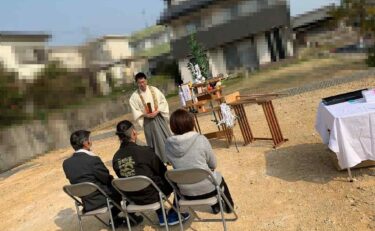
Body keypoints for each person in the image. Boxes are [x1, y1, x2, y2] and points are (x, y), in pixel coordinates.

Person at [112, 120, 190, 226]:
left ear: (119, 137)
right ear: (134, 133)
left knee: (147, 179)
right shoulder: (145, 151)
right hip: (152, 195)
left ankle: (162, 215)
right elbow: (162, 171)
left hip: (132, 197)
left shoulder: (116, 158)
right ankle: (174, 213)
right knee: (171, 178)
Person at [62, 130, 143, 228]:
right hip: (101, 199)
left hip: (86, 201)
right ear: (86, 143)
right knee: (122, 186)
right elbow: (106, 178)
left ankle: (115, 220)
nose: (91, 141)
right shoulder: (92, 160)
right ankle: (131, 218)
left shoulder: (66, 163)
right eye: (89, 139)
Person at [165, 109, 235, 214]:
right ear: (191, 123)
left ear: (172, 126)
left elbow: (171, 163)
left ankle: (216, 206)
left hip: (185, 192)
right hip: (209, 189)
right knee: (218, 177)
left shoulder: (168, 144)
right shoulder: (200, 139)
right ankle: (229, 207)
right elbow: (213, 164)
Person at [129, 72, 171, 163]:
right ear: (137, 83)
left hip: (158, 117)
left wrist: (158, 110)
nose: (142, 84)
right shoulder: (134, 97)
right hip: (148, 121)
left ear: (146, 81)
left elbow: (163, 101)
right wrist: (145, 115)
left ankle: (171, 156)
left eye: (143, 82)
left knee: (165, 136)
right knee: (153, 141)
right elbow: (135, 110)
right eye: (140, 83)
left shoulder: (154, 90)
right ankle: (159, 160)